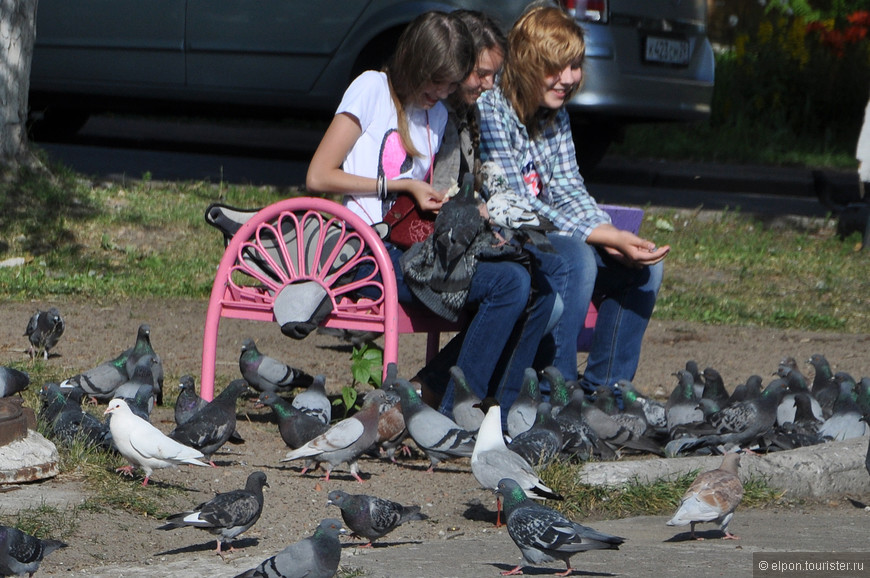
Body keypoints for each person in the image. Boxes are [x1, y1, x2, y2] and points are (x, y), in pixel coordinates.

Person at [305, 11, 558, 421]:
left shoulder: (437, 115)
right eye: (436, 81)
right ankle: (452, 408)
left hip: (407, 247)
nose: (441, 92)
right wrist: (402, 187)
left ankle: (496, 413)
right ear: (416, 64)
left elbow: (423, 206)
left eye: (449, 84)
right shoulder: (372, 88)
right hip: (361, 253)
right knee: (509, 287)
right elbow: (318, 175)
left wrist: (468, 220)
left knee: (529, 284)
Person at [477, 5, 670, 397]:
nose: (568, 79)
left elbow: (568, 186)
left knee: (646, 271)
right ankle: (555, 392)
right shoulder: (492, 109)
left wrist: (611, 235)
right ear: (528, 65)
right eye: (556, 68)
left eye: (574, 66)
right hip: (507, 236)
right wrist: (600, 236)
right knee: (576, 256)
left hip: (551, 232)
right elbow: (514, 202)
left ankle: (607, 393)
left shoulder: (554, 115)